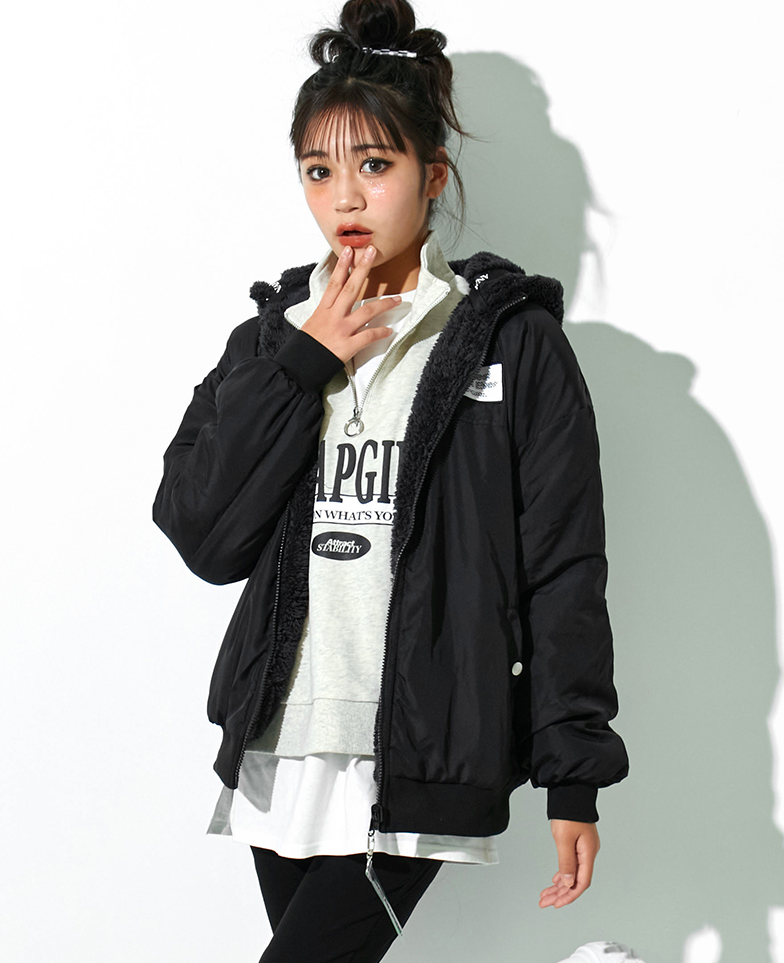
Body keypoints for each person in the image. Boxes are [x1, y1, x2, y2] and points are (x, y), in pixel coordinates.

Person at [152, 1, 628, 959]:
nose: (345, 198)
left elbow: (562, 565)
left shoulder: (510, 342)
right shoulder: (270, 337)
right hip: (280, 742)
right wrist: (300, 364)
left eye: (374, 165)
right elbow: (203, 532)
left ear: (431, 174)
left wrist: (571, 770)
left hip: (422, 747)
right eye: (318, 170)